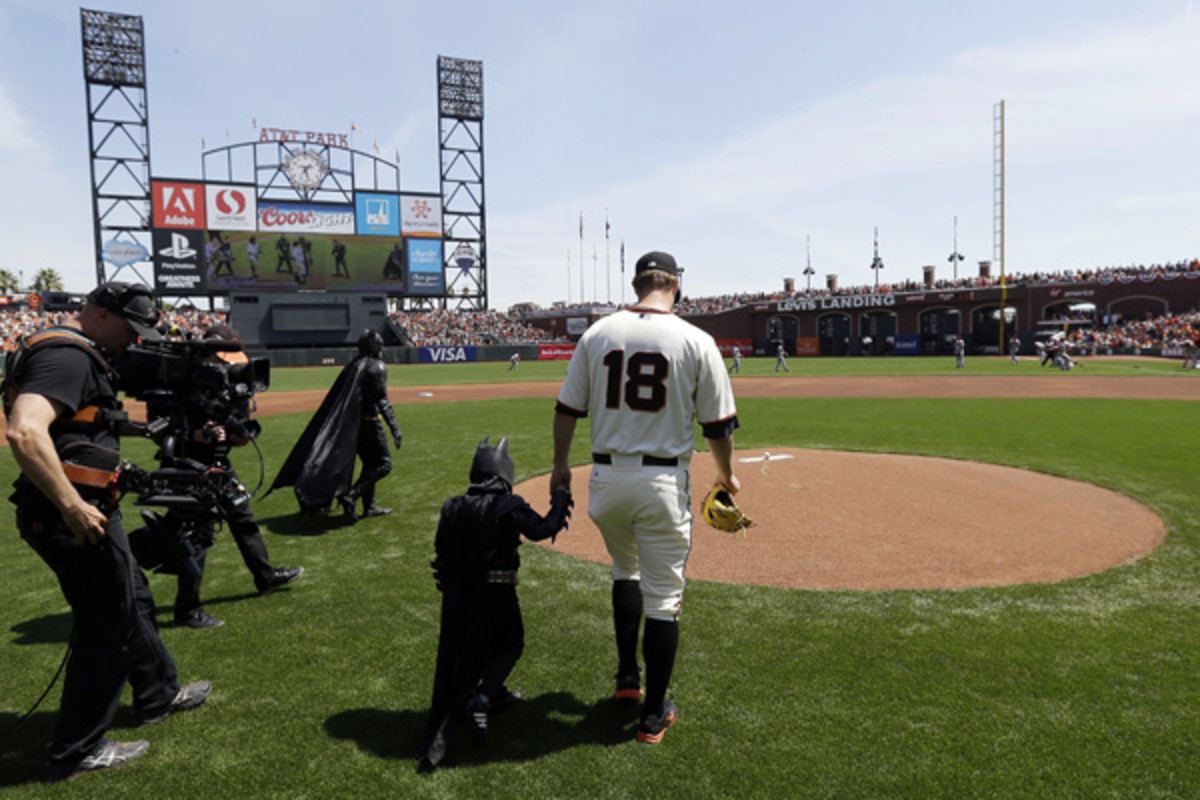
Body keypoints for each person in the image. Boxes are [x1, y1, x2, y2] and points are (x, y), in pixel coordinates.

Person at [3, 281, 211, 782]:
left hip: (90, 506)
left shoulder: (75, 351)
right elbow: (24, 430)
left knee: (133, 597)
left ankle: (157, 692)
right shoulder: (68, 356)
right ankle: (76, 749)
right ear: (98, 314)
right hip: (70, 514)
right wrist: (72, 503)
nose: (133, 340)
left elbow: (76, 424)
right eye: (129, 327)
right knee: (107, 624)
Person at [551, 250, 739, 745]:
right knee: (663, 598)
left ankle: (627, 680)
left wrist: (558, 468)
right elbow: (718, 426)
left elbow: (567, 408)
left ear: (637, 285)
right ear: (676, 286)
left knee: (623, 570)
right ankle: (654, 715)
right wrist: (727, 476)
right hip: (661, 484)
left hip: (606, 481)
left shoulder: (597, 333)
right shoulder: (697, 340)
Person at [419, 437, 572, 769]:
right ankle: (483, 696)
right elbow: (543, 529)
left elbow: (441, 554)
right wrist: (561, 497)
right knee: (511, 644)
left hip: (462, 598)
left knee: (476, 649)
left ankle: (492, 691)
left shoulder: (453, 506)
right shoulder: (508, 505)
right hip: (499, 593)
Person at [161, 324, 304, 629]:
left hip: (219, 465)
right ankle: (186, 609)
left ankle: (265, 576)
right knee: (198, 536)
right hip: (189, 467)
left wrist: (235, 432)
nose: (227, 366)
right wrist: (196, 435)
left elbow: (238, 435)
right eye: (221, 359)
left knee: (243, 518)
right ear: (209, 354)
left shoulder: (225, 386)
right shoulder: (182, 382)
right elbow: (160, 431)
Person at [268, 330, 402, 519]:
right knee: (383, 465)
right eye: (380, 345)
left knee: (370, 464)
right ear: (374, 347)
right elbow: (382, 401)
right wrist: (395, 428)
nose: (382, 349)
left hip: (354, 426)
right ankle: (351, 495)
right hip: (370, 424)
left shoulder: (353, 365)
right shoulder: (376, 366)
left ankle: (370, 506)